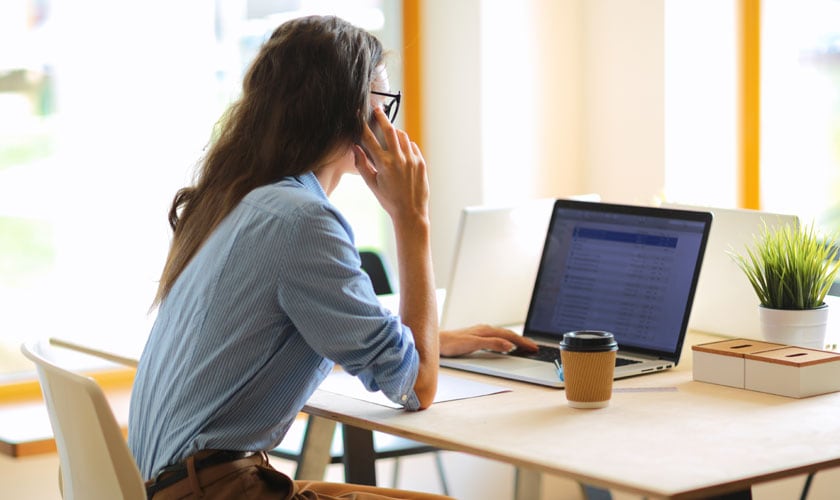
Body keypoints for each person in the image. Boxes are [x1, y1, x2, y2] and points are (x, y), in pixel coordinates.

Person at [128, 15, 536, 499]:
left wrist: (424, 339)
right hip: (218, 491)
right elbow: (417, 387)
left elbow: (290, 328)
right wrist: (412, 219)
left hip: (175, 486)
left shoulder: (236, 198)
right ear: (355, 118)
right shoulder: (303, 220)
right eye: (383, 105)